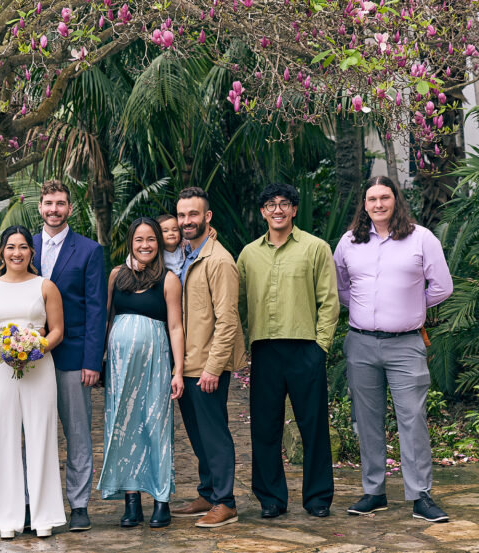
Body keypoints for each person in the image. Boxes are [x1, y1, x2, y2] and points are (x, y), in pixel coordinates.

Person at [334, 175, 453, 523]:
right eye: (372, 199)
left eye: (384, 197)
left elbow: (442, 286)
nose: (378, 204)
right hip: (360, 343)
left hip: (405, 344)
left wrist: (411, 305)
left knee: (412, 420)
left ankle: (420, 496)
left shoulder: (421, 238)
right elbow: (340, 286)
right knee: (367, 420)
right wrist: (363, 308)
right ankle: (374, 492)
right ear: (364, 204)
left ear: (395, 200)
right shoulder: (348, 242)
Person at [237, 183, 340, 519]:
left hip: (305, 349)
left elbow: (329, 301)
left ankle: (318, 498)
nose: (277, 209)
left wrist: (320, 346)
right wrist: (246, 342)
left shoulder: (316, 248)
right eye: (270, 204)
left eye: (284, 203)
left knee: (313, 426)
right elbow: (238, 303)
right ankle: (270, 499)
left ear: (294, 210)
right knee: (265, 428)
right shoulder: (248, 254)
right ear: (263, 212)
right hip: (265, 350)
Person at [0, 225, 67, 539]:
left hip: (39, 368)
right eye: (11, 247)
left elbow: (57, 330)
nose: (17, 253)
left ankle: (44, 516)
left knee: (42, 437)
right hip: (0, 370)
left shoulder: (45, 286)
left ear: (32, 252)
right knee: (3, 439)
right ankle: (6, 518)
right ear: (2, 252)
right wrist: (1, 350)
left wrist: (35, 349)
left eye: (23, 247)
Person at [98, 217, 185, 529]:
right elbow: (106, 319)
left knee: (155, 426)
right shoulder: (116, 275)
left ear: (158, 243)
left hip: (156, 365)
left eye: (151, 239)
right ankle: (131, 502)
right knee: (123, 427)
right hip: (120, 367)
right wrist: (98, 360)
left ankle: (161, 500)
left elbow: (175, 327)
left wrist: (178, 370)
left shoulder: (169, 279)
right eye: (139, 239)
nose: (145, 245)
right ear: (130, 242)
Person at [31, 180, 108, 531]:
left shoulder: (89, 250)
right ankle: (35, 502)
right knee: (35, 432)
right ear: (40, 207)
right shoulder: (25, 246)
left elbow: (96, 309)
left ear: (70, 209)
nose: (54, 209)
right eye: (48, 203)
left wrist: (92, 360)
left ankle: (78, 504)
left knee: (77, 432)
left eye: (60, 203)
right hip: (29, 358)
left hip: (74, 355)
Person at [171, 186, 247, 528]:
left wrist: (214, 368)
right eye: (182, 214)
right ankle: (208, 492)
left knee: (214, 435)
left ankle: (225, 501)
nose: (187, 220)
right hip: (187, 363)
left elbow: (228, 321)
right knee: (198, 435)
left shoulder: (219, 260)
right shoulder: (185, 255)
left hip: (207, 365)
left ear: (207, 216)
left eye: (193, 214)